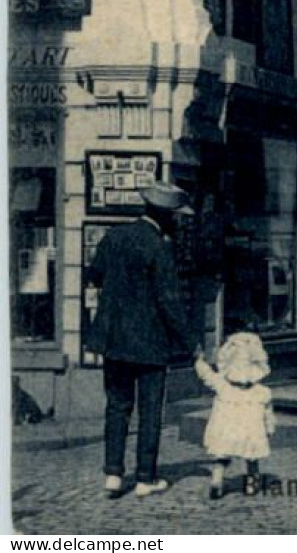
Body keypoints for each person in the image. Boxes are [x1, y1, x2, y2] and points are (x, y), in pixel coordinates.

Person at [86, 182, 197, 498]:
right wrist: (191, 344)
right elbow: (170, 301)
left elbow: (93, 275)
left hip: (113, 341)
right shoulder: (159, 247)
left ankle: (113, 474)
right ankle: (146, 477)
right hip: (149, 343)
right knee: (150, 411)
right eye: (176, 216)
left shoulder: (115, 236)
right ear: (165, 216)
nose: (178, 221)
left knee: (117, 406)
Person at [194, 332, 275, 500]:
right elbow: (268, 413)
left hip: (226, 431)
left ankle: (217, 481)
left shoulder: (222, 386)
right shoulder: (262, 392)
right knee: (252, 458)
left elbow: (206, 375)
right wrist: (269, 427)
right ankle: (251, 485)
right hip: (250, 433)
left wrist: (199, 361)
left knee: (221, 456)